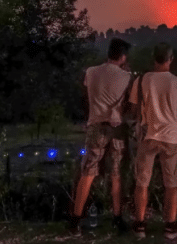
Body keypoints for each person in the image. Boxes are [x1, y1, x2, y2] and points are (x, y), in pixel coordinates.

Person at [68, 38, 133, 235]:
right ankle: (117, 217)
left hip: (96, 126)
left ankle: (76, 219)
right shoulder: (127, 76)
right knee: (116, 174)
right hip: (117, 128)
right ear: (123, 56)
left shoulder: (91, 72)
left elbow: (87, 95)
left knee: (88, 172)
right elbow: (128, 104)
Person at [129, 43, 177, 239]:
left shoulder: (141, 80)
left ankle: (139, 225)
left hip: (148, 137)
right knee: (171, 184)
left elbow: (135, 111)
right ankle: (170, 226)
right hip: (170, 138)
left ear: (154, 59)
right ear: (171, 59)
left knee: (142, 183)